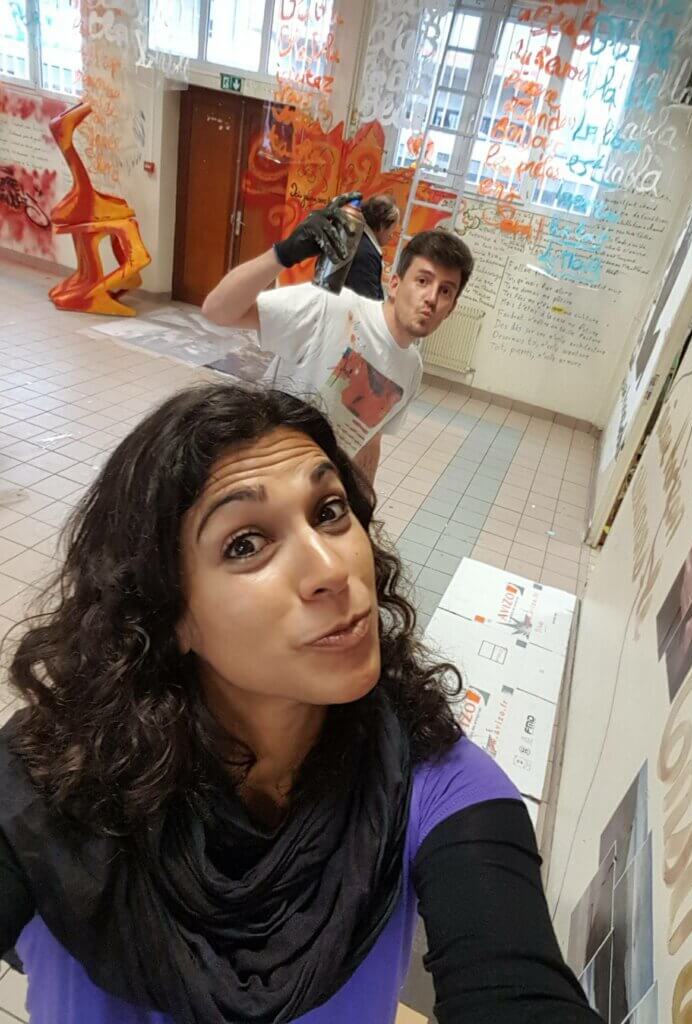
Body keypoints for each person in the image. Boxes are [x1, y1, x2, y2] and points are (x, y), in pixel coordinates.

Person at [0, 383, 603, 1024]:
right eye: (245, 543)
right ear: (168, 613)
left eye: (330, 512)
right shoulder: (53, 781)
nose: (332, 569)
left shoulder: (438, 785)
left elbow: (519, 991)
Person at [202, 194, 474, 483]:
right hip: (258, 474)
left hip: (312, 493)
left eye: (445, 291)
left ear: (451, 308)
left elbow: (370, 440)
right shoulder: (331, 308)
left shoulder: (412, 368)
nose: (431, 298)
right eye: (422, 281)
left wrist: (362, 501)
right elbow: (218, 310)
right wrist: (283, 254)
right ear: (395, 284)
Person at [345, 194, 400, 301]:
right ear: (382, 226)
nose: (391, 236)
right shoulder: (366, 254)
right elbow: (366, 301)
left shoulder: (356, 239)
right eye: (392, 230)